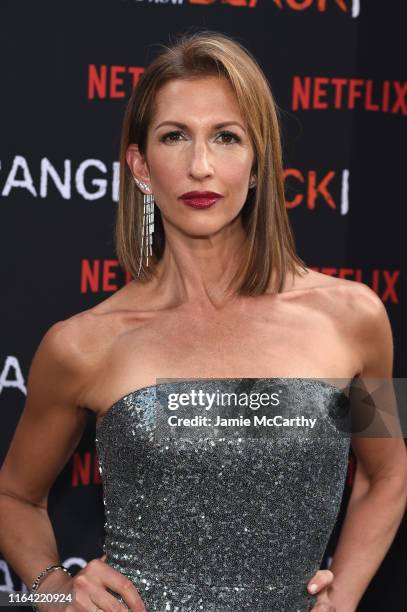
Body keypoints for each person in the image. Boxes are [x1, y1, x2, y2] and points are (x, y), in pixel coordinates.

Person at [0, 30, 406, 612]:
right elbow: (14, 494)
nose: (200, 166)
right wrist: (52, 592)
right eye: (174, 137)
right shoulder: (82, 345)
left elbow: (387, 475)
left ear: (257, 157)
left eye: (226, 137)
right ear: (140, 165)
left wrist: (342, 597)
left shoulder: (356, 318)